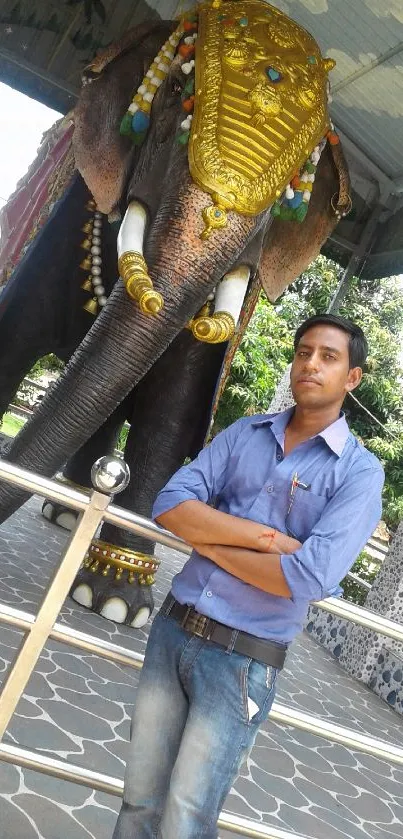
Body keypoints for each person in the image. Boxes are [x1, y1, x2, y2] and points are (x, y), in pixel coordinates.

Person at [112, 314, 384, 839]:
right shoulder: (246, 433)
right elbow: (169, 503)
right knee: (138, 803)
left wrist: (209, 537)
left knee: (186, 820)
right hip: (171, 633)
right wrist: (266, 540)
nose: (310, 364)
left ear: (352, 378)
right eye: (304, 352)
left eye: (329, 356)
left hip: (242, 661)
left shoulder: (359, 473)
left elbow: (306, 578)